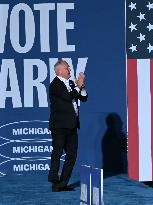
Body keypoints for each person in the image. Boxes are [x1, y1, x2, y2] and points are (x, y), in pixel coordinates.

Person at [48, 60, 88, 192]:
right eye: (67, 68)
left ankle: (62, 183)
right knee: (58, 151)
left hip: (72, 125)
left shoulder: (71, 83)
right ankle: (53, 176)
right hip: (59, 125)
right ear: (59, 71)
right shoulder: (55, 84)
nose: (70, 71)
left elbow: (83, 98)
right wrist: (78, 85)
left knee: (72, 155)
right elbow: (67, 96)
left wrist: (81, 86)